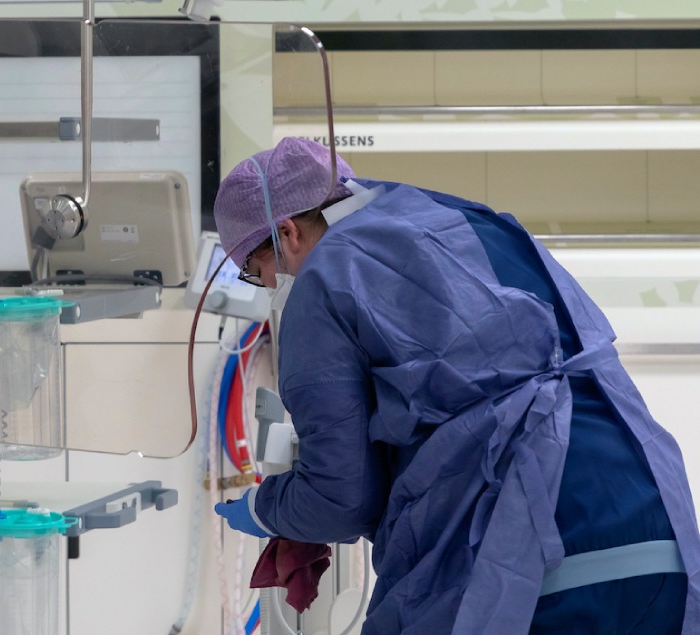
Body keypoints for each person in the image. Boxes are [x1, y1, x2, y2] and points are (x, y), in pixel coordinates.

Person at [211, 137, 698, 634]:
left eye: (256, 272)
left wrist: (265, 508)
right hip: (654, 520)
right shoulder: (466, 217)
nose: (270, 287)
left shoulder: (322, 277)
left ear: (287, 232)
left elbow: (342, 499)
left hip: (533, 557)